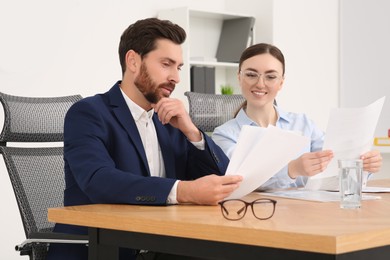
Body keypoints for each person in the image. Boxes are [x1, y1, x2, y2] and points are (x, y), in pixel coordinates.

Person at [47, 18, 242, 260]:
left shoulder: (171, 121)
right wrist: (184, 191)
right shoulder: (89, 113)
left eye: (178, 67)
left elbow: (222, 180)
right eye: (166, 64)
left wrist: (192, 131)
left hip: (162, 246)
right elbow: (98, 180)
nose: (176, 77)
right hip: (102, 249)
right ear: (133, 61)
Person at [212, 43, 382, 191]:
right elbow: (241, 179)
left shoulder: (303, 124)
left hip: (306, 214)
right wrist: (292, 169)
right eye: (251, 74)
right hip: (257, 215)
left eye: (270, 76)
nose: (260, 84)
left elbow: (332, 166)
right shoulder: (225, 135)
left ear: (281, 82)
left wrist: (362, 165)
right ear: (239, 77)